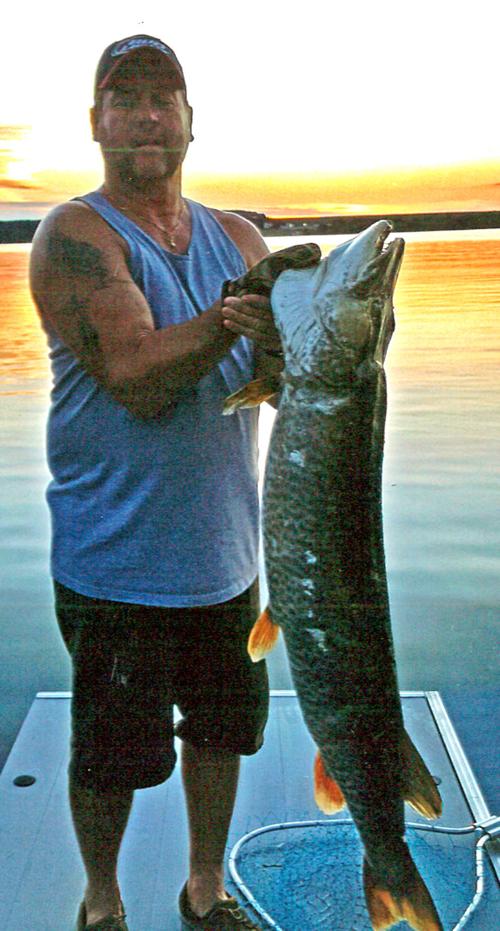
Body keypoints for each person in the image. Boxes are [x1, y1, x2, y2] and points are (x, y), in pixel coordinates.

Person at [29, 34, 286, 931]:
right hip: (116, 566)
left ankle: (204, 887)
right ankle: (103, 899)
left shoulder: (242, 238)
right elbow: (136, 376)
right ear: (96, 122)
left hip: (227, 555)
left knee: (221, 733)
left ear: (189, 121)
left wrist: (342, 333)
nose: (145, 112)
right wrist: (228, 323)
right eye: (123, 96)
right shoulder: (76, 235)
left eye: (162, 96)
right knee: (111, 754)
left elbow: (288, 368)